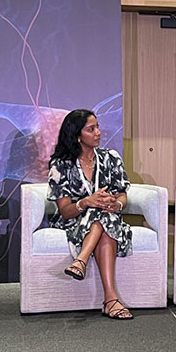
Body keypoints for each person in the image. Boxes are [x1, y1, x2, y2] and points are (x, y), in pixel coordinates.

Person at [47, 109, 133, 319]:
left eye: (98, 127)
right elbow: (65, 211)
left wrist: (116, 205)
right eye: (91, 129)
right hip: (73, 222)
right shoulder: (60, 165)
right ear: (77, 136)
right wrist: (85, 202)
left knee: (105, 214)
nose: (98, 133)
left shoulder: (111, 158)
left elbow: (122, 196)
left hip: (108, 217)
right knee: (99, 212)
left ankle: (81, 261)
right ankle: (111, 300)